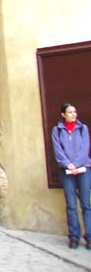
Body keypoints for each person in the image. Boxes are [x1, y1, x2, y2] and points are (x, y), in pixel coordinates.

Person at [51, 101, 91, 249]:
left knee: (86, 204)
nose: (73, 114)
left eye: (74, 112)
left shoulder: (82, 129)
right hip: (66, 170)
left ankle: (90, 236)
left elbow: (85, 148)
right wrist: (68, 164)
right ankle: (74, 237)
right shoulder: (57, 130)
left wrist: (76, 164)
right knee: (71, 205)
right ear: (63, 115)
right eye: (70, 112)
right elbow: (58, 150)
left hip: (83, 169)